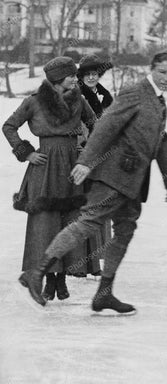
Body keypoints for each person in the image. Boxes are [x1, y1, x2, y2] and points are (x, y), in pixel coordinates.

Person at [18, 50, 167, 315]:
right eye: (162, 72)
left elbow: (161, 142)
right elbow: (104, 127)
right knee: (88, 222)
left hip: (135, 181)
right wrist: (86, 161)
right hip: (113, 174)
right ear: (151, 69)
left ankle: (104, 294)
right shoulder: (134, 92)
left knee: (124, 231)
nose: (166, 77)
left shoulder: (160, 104)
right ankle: (37, 272)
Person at [3, 56, 96, 301]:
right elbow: (9, 126)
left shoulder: (80, 100)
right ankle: (47, 279)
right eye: (71, 76)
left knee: (69, 221)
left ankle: (61, 279)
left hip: (71, 165)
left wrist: (85, 153)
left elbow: (95, 126)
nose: (76, 80)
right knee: (44, 224)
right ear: (57, 80)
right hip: (44, 167)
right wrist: (26, 152)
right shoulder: (33, 102)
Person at [73, 54, 115, 277]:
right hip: (81, 154)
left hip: (101, 156)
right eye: (87, 74)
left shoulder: (105, 96)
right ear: (81, 75)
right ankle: (78, 262)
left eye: (95, 74)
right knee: (81, 207)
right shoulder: (76, 94)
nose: (92, 77)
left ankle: (95, 262)